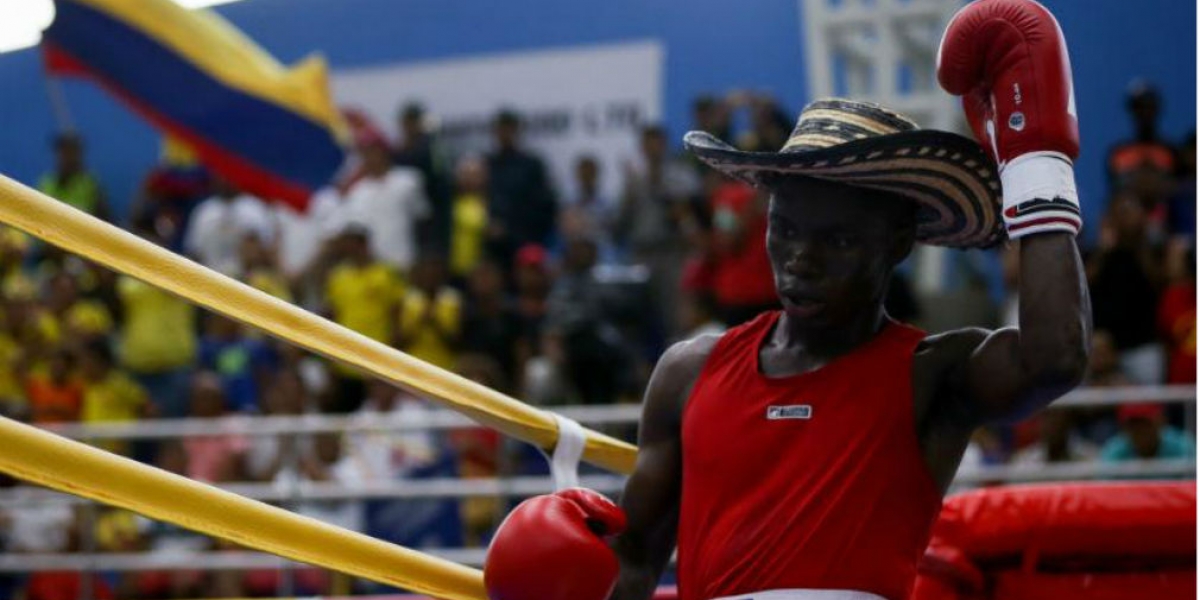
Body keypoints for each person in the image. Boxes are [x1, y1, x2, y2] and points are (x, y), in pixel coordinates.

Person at [484, 4, 1092, 600]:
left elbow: (1054, 356)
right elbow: (636, 560)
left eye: (839, 239)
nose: (802, 257)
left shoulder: (930, 376)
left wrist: (1036, 163)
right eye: (787, 228)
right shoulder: (688, 372)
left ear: (898, 242)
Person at [323, 226, 402, 412]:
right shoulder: (338, 277)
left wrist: (392, 353)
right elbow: (333, 317)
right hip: (345, 359)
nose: (347, 249)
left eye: (350, 244)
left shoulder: (386, 274)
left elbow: (396, 315)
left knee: (378, 414)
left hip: (378, 358)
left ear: (363, 244)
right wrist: (331, 361)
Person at [342, 133, 431, 271]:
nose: (369, 157)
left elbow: (422, 218)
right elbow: (357, 231)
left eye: (373, 151)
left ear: (384, 152)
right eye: (365, 153)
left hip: (406, 262)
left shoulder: (409, 180)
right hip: (373, 269)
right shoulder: (358, 191)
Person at [485, 109, 558, 265]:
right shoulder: (486, 164)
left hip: (524, 242)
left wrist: (509, 229)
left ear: (517, 131)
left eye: (508, 129)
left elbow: (542, 205)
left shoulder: (531, 165)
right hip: (490, 245)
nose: (504, 134)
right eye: (500, 129)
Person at [183, 177, 274, 278]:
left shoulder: (255, 209)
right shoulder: (204, 211)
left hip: (245, 282)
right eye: (222, 175)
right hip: (208, 279)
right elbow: (194, 252)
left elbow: (266, 255)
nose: (226, 179)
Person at [395, 255, 462, 371]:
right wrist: (420, 322)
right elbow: (398, 342)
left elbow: (458, 344)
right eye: (427, 274)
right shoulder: (406, 299)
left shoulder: (453, 300)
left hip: (446, 368)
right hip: (412, 365)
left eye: (435, 275)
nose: (431, 278)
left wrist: (435, 323)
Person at [38, 132, 111, 222]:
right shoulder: (47, 182)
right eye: (64, 152)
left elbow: (104, 221)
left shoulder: (90, 184)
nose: (67, 157)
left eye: (71, 152)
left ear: (79, 154)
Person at [1100, 404, 1195, 466]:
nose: (1140, 430)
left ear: (1160, 421)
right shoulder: (1114, 452)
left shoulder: (1183, 446)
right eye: (1133, 425)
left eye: (1145, 423)